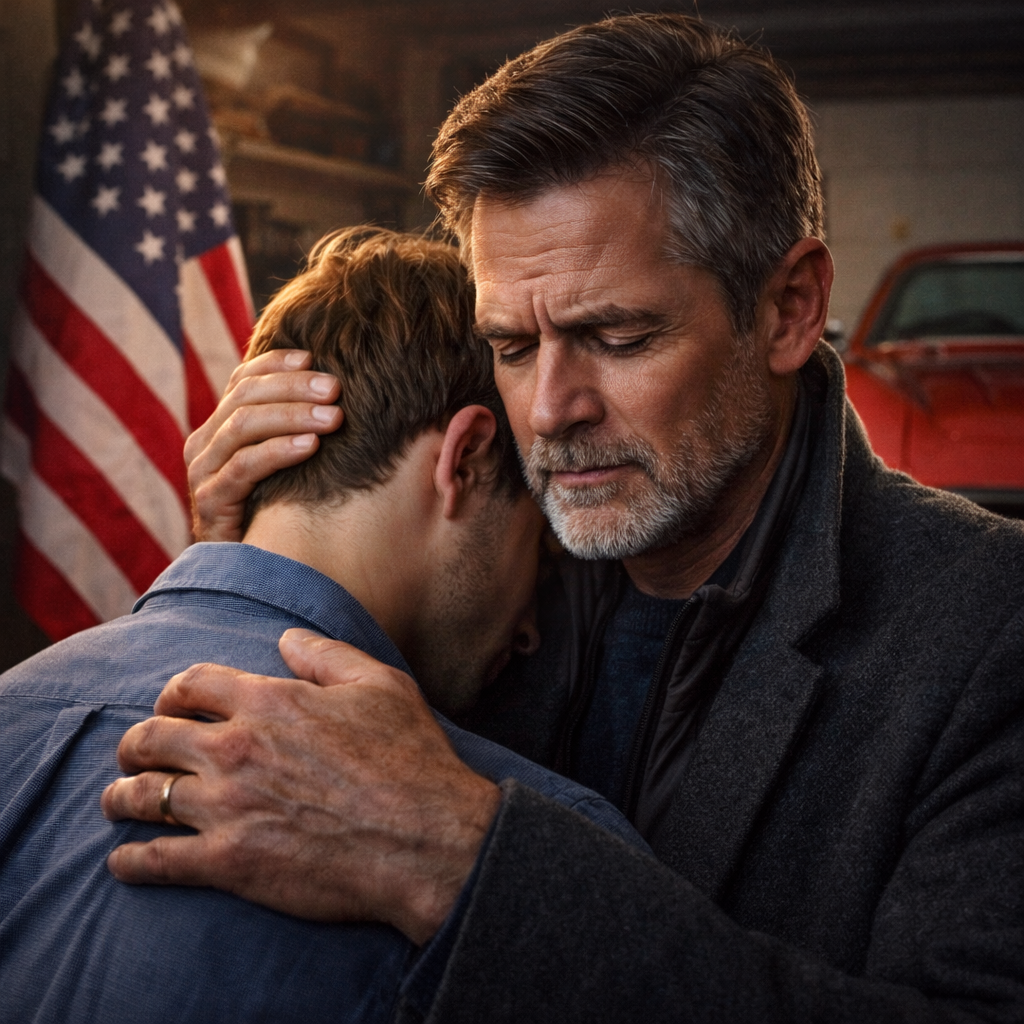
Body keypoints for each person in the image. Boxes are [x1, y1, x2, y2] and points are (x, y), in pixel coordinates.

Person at [103, 14, 1024, 1024]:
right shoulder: (473, 570)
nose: (547, 410)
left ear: (789, 308)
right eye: (509, 345)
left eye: (617, 336)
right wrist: (253, 562)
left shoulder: (988, 631)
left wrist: (464, 865)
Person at [0, 227, 646, 1024]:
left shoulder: (15, 708)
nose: (530, 634)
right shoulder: (533, 864)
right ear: (469, 459)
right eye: (540, 553)